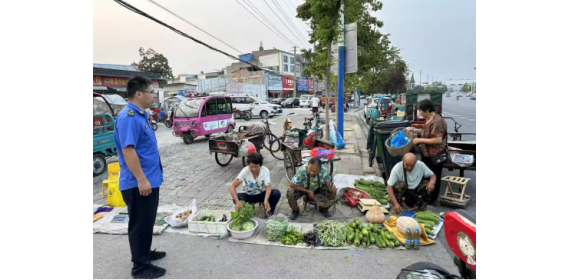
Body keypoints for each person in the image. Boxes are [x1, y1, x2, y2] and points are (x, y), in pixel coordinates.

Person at [114, 75, 166, 279]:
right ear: (139, 94)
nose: (154, 95)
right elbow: (128, 151)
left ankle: (144, 253)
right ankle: (140, 267)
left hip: (149, 180)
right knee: (139, 223)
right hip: (139, 183)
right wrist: (142, 179)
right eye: (151, 92)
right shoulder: (128, 118)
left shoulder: (140, 114)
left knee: (147, 221)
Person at [408, 99, 448, 204]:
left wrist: (420, 140)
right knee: (425, 174)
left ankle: (432, 200)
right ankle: (425, 197)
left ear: (426, 110)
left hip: (435, 155)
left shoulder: (437, 121)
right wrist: (414, 130)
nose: (419, 112)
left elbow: (438, 139)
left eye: (420, 110)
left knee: (434, 176)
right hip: (426, 153)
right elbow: (426, 132)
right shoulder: (429, 119)